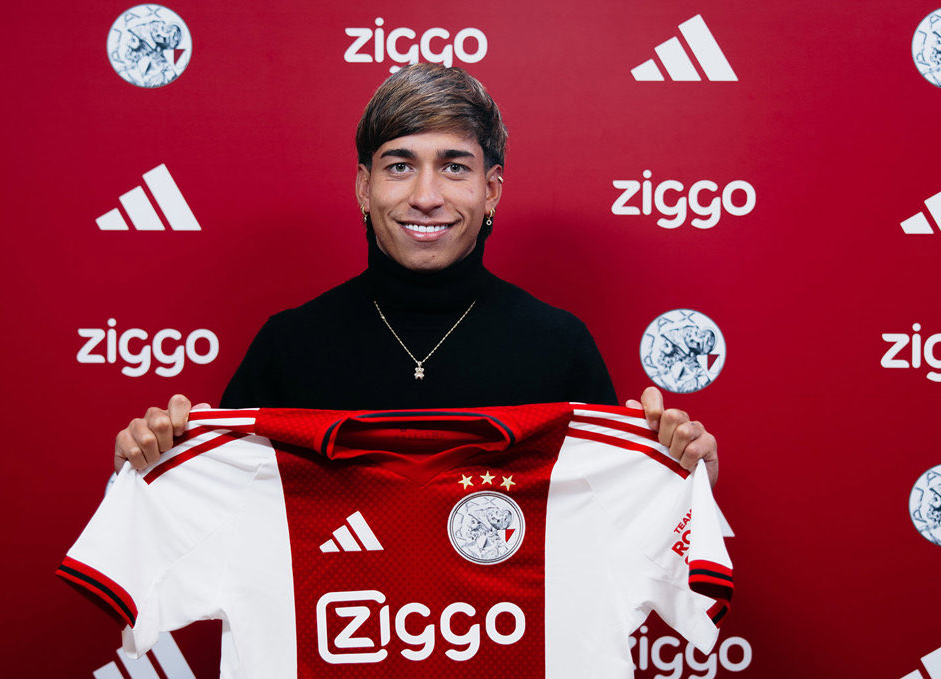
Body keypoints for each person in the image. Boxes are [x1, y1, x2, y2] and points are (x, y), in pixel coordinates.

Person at [113, 63, 718, 483]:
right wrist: (149, 467)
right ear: (364, 187)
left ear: (491, 190)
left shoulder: (560, 347)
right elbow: (216, 523)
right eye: (399, 166)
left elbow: (615, 530)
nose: (426, 197)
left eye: (454, 167)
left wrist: (683, 474)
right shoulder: (288, 345)